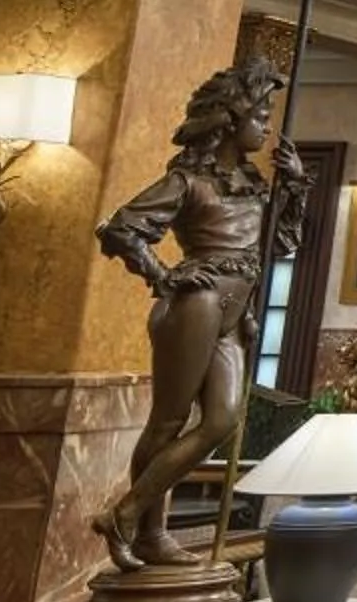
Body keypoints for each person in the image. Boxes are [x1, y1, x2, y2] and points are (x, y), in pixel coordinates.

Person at [92, 58, 308, 570]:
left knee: (221, 422)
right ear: (230, 121)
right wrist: (164, 275)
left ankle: (126, 512)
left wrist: (295, 188)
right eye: (259, 116)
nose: (266, 127)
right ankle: (149, 533)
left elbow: (279, 244)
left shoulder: (258, 186)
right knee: (168, 421)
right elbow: (119, 228)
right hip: (197, 304)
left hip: (234, 313)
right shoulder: (189, 181)